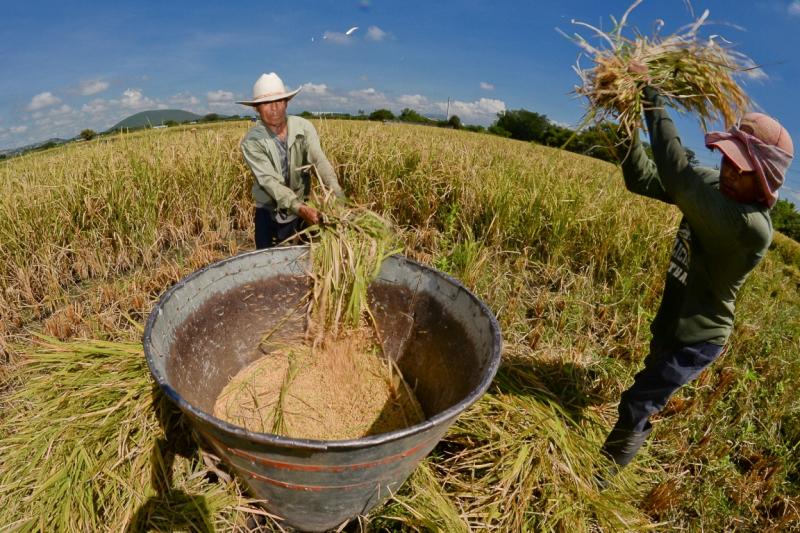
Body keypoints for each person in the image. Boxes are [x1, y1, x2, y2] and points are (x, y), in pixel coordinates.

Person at [601, 84, 794, 472]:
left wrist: (650, 95)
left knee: (638, 402)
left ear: (765, 180)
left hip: (697, 339)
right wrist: (624, 123)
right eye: (726, 160)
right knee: (646, 385)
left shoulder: (751, 228)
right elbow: (643, 178)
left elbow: (678, 178)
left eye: (742, 170)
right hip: (673, 316)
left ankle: (599, 479)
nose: (729, 173)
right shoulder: (711, 183)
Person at [238, 72, 345, 249]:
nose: (274, 108)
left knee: (302, 259)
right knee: (268, 261)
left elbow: (318, 160)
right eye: (266, 103)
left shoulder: (303, 127)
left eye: (278, 101)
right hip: (269, 210)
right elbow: (270, 182)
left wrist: (336, 192)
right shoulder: (252, 142)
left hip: (301, 207)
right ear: (256, 108)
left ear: (286, 102)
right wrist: (301, 208)